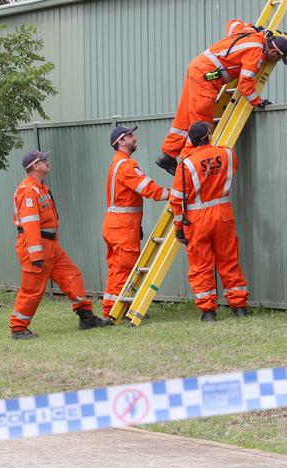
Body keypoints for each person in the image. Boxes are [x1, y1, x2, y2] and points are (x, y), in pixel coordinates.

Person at [156, 19, 287, 175]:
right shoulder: (256, 54)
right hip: (206, 79)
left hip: (197, 68)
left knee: (184, 117)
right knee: (201, 124)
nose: (277, 61)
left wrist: (253, 27)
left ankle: (168, 155)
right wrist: (257, 102)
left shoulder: (251, 33)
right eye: (279, 58)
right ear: (273, 52)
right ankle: (189, 165)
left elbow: (232, 24)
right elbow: (245, 85)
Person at [9, 150, 106, 339]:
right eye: (43, 160)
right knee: (32, 290)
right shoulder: (28, 191)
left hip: (50, 246)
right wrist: (36, 254)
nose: (47, 162)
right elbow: (30, 225)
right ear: (35, 166)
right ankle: (18, 328)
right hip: (35, 247)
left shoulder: (40, 188)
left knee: (72, 275)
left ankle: (85, 317)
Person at [169, 122, 249, 321]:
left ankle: (208, 311)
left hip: (197, 220)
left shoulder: (186, 163)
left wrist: (179, 226)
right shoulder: (227, 154)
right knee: (229, 259)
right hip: (223, 214)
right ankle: (239, 307)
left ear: (192, 140)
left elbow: (177, 199)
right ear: (209, 135)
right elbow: (231, 170)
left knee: (200, 265)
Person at [102, 126, 169, 322]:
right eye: (130, 136)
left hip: (116, 224)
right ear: (121, 142)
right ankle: (116, 312)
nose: (134, 138)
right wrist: (171, 194)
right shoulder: (125, 165)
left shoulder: (119, 164)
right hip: (122, 226)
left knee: (116, 268)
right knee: (124, 268)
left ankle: (111, 309)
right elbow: (146, 188)